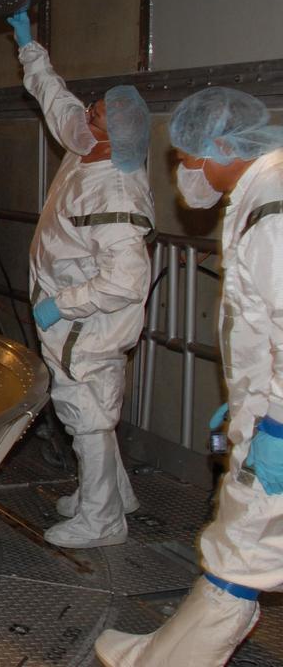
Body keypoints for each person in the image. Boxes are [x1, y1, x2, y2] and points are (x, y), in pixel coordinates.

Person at [96, 87, 283, 666]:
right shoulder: (263, 193)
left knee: (240, 556)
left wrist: (275, 423)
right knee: (243, 548)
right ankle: (162, 650)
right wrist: (252, 403)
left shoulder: (273, 214)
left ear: (225, 146)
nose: (186, 169)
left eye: (190, 156)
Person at [8, 10, 154, 549]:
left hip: (86, 321)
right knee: (93, 411)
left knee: (84, 413)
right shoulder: (89, 146)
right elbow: (59, 102)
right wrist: (31, 50)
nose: (84, 115)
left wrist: (63, 305)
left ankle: (102, 521)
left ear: (113, 138)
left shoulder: (115, 192)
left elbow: (125, 280)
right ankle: (113, 494)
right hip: (70, 309)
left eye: (94, 116)